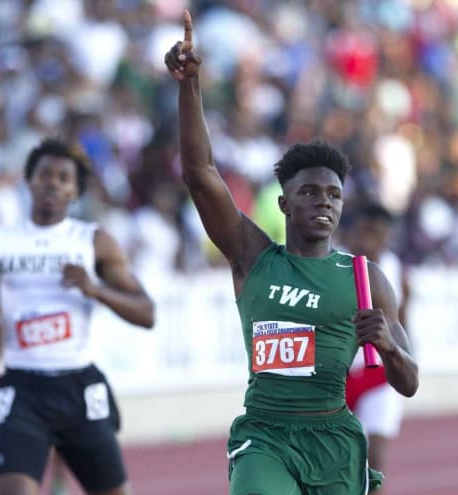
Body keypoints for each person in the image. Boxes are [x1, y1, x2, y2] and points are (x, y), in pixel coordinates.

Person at [164, 11, 418, 495]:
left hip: (335, 443)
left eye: (333, 194)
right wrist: (189, 85)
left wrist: (388, 346)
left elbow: (408, 383)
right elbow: (201, 174)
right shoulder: (252, 256)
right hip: (266, 437)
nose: (323, 201)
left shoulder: (366, 278)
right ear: (283, 202)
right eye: (310, 192)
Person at [0, 137, 155, 495]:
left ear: (75, 192)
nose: (52, 182)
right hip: (21, 387)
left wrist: (95, 290)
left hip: (77, 385)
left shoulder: (93, 242)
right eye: (44, 174)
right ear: (29, 181)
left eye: (63, 178)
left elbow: (147, 312)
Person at [343, 202, 411, 478]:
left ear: (387, 235)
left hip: (379, 376)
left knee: (374, 461)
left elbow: (403, 326)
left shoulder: (397, 272)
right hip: (341, 375)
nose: (369, 239)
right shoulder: (336, 267)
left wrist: (405, 363)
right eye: (364, 231)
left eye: (377, 233)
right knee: (338, 460)